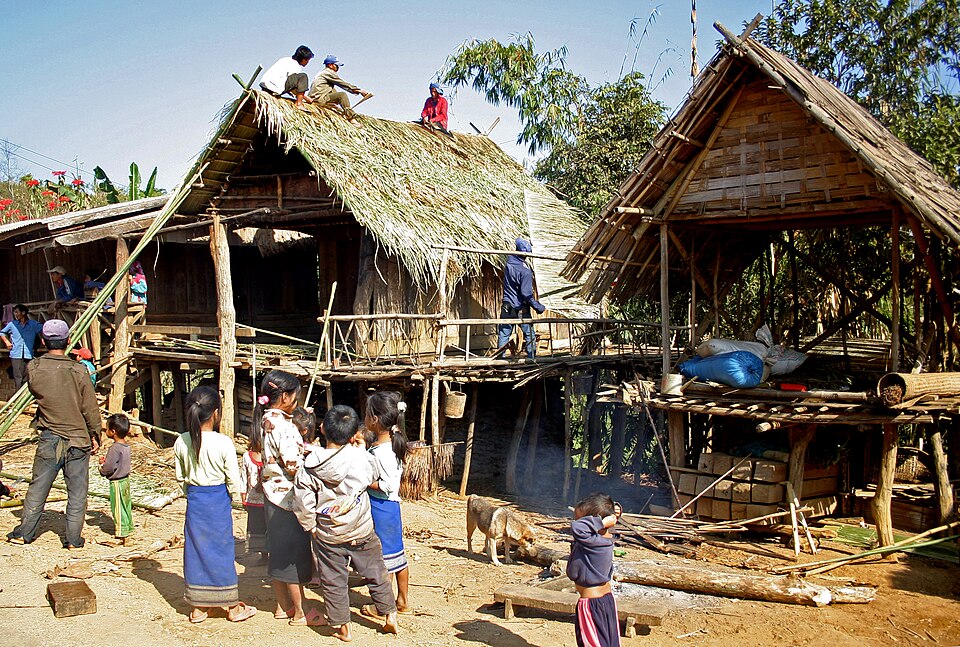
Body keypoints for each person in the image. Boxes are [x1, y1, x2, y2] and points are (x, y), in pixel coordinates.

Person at [293, 405, 399, 641]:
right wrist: (360, 450)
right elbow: (371, 477)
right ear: (353, 435)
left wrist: (310, 526)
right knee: (376, 572)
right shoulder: (361, 457)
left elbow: (303, 501)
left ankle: (343, 627)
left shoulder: (310, 465)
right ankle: (390, 615)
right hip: (361, 528)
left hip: (329, 533)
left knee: (333, 580)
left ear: (321, 428)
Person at [6, 319, 101, 548]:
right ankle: (73, 540)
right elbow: (89, 407)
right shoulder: (78, 370)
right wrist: (96, 434)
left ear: (42, 341)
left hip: (50, 438)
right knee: (77, 492)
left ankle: (24, 533)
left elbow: (37, 391)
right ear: (69, 341)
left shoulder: (34, 368)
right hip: (78, 439)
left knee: (38, 487)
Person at [174, 385, 257, 624]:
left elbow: (181, 477)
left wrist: (190, 494)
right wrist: (235, 498)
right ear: (216, 414)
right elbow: (232, 477)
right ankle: (231, 605)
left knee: (196, 550)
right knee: (222, 550)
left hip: (196, 500)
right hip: (218, 500)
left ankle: (198, 607)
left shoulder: (181, 441)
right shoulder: (223, 442)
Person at [258, 370, 318, 626]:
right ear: (284, 397)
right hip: (288, 498)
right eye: (294, 395)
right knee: (294, 554)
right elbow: (293, 465)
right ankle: (302, 611)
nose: (297, 399)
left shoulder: (266, 420)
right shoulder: (286, 427)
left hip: (271, 494)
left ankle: (283, 606)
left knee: (278, 551)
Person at [362, 391, 411, 615]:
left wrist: (365, 482)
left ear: (375, 419)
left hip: (383, 508)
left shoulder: (382, 452)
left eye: (367, 413)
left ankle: (385, 605)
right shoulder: (390, 445)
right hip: (390, 508)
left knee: (384, 558)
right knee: (396, 555)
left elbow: (388, 485)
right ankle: (401, 600)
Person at [567, 493, 623, 647]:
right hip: (605, 601)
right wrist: (610, 514)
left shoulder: (593, 542)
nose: (576, 522)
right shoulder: (603, 539)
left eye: (582, 520)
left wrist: (601, 522)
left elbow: (577, 528)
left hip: (592, 605)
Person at [497, 238, 546, 359]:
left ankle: (499, 360)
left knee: (504, 334)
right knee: (529, 334)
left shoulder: (509, 263)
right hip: (520, 308)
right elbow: (526, 293)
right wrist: (538, 307)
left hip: (507, 305)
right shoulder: (525, 271)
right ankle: (531, 359)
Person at [99, 413, 134, 545]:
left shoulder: (114, 448)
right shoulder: (126, 446)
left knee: (118, 507)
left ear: (113, 431)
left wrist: (101, 469)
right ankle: (129, 528)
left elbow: (109, 467)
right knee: (126, 505)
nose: (106, 431)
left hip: (117, 482)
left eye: (107, 428)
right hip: (126, 480)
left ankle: (122, 533)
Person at [308, 55, 371, 119]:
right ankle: (350, 116)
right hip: (319, 99)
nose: (338, 67)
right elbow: (342, 83)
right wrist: (358, 90)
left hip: (316, 98)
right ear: (330, 65)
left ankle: (333, 106)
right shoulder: (328, 72)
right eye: (336, 65)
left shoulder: (321, 73)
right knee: (342, 95)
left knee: (333, 90)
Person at [240, 422, 267, 561]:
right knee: (256, 528)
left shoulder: (270, 456)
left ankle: (270, 555)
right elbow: (244, 477)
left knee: (269, 528)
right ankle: (262, 555)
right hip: (253, 500)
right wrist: (243, 496)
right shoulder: (246, 456)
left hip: (269, 500)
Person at [1, 303, 43, 389]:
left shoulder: (33, 324)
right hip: (16, 354)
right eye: (14, 313)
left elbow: (44, 329)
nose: (15, 314)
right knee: (18, 378)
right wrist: (7, 342)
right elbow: (2, 332)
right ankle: (18, 398)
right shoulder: (12, 324)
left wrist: (43, 339)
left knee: (27, 377)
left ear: (23, 313)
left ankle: (26, 397)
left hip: (28, 354)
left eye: (17, 312)